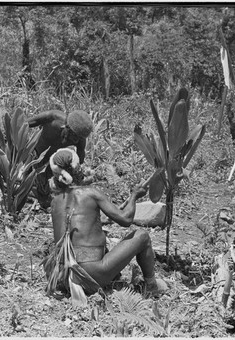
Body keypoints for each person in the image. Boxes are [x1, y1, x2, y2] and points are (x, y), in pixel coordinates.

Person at [43, 148, 167, 300]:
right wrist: (134, 196)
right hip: (91, 276)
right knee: (142, 236)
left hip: (62, 278)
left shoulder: (55, 201)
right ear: (78, 169)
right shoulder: (91, 193)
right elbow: (125, 220)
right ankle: (151, 286)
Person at [28, 110, 94, 209]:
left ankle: (39, 193)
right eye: (74, 136)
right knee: (26, 183)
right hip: (34, 156)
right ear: (66, 127)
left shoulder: (80, 140)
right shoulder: (52, 118)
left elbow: (79, 162)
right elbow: (24, 124)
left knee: (46, 197)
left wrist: (76, 176)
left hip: (52, 164)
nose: (76, 140)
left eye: (79, 138)